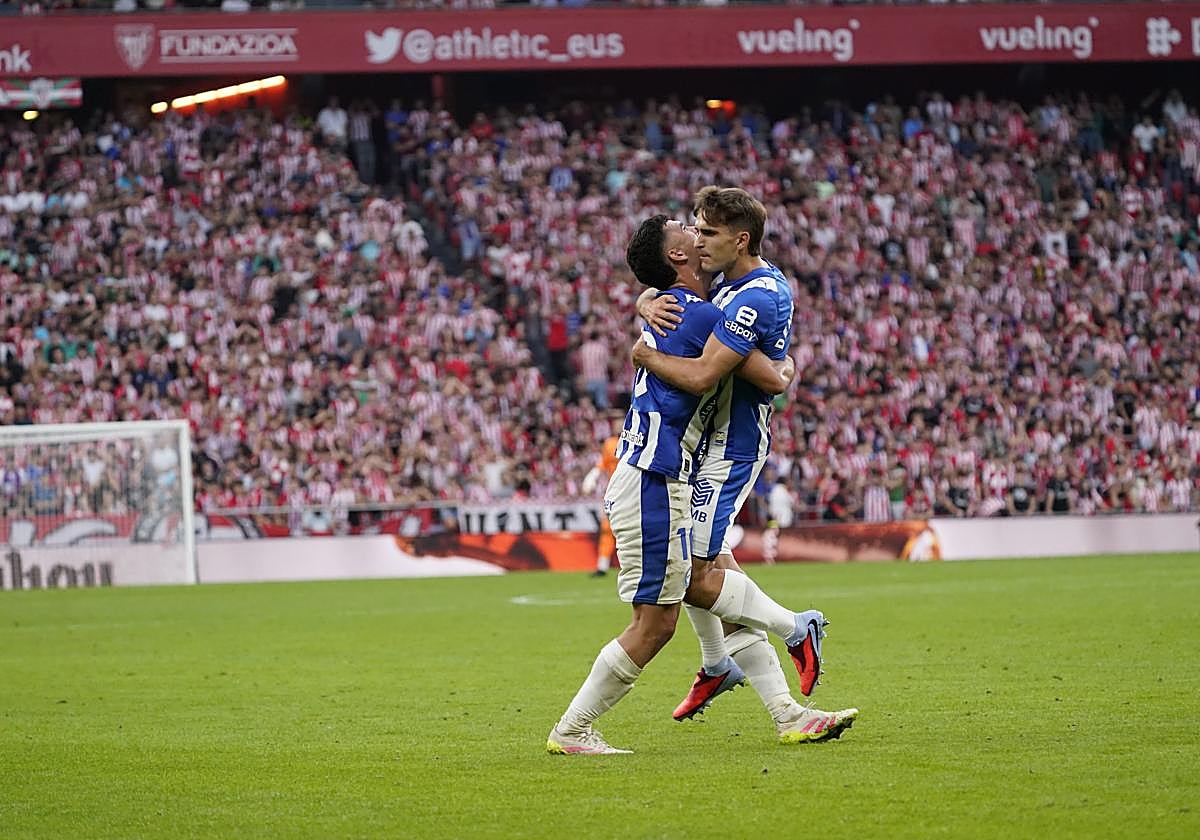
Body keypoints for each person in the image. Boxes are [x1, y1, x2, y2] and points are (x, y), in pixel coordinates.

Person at [632, 188, 856, 738]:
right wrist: (646, 300)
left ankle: (790, 629)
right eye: (695, 231)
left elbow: (729, 375)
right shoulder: (726, 282)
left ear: (740, 240)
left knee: (692, 574)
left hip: (729, 449)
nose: (698, 240)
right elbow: (677, 290)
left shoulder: (757, 295)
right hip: (700, 445)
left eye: (707, 232)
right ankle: (735, 676)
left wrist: (646, 354)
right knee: (702, 569)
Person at [580, 418, 621, 577]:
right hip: (614, 492)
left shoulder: (637, 441)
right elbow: (602, 463)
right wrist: (591, 477)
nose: (618, 426)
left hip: (634, 491)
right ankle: (602, 566)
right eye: (616, 423)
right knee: (607, 529)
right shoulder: (610, 444)